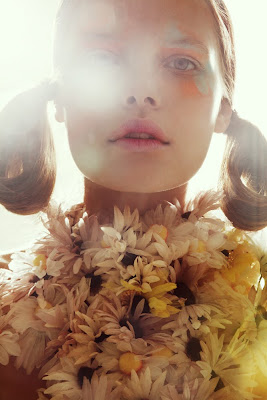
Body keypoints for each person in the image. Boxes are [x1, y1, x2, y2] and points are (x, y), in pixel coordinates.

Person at [0, 0, 266, 399]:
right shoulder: (6, 309)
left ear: (223, 109)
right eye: (101, 58)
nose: (141, 92)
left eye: (181, 63)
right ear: (60, 96)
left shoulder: (258, 299)